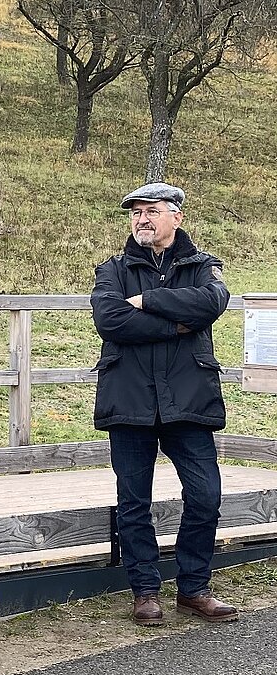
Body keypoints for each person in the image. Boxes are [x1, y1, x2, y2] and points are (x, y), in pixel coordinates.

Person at [92, 182, 237, 628]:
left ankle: (193, 588)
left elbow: (211, 302)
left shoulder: (203, 266)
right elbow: (110, 320)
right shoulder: (112, 270)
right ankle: (145, 591)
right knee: (133, 501)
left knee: (206, 495)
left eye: (150, 210)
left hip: (188, 401)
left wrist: (148, 301)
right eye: (135, 213)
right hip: (130, 400)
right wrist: (177, 326)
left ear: (176, 216)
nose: (141, 219)